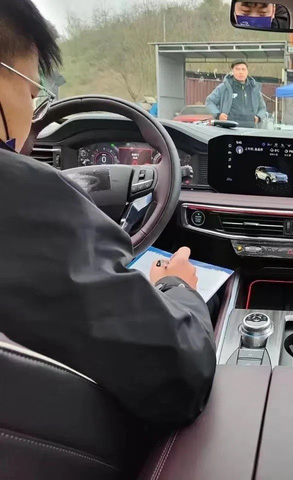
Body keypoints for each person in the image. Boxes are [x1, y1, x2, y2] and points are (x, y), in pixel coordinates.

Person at [0, 0, 216, 428]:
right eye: (32, 92)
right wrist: (177, 287)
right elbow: (181, 374)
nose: (32, 109)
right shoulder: (22, 194)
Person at [205, 60, 267, 128]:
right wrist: (218, 115)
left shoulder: (254, 89)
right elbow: (210, 101)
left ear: (247, 72)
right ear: (233, 71)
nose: (241, 72)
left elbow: (262, 108)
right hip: (229, 128)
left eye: (243, 69)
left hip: (250, 129)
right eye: (237, 69)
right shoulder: (224, 87)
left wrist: (258, 117)